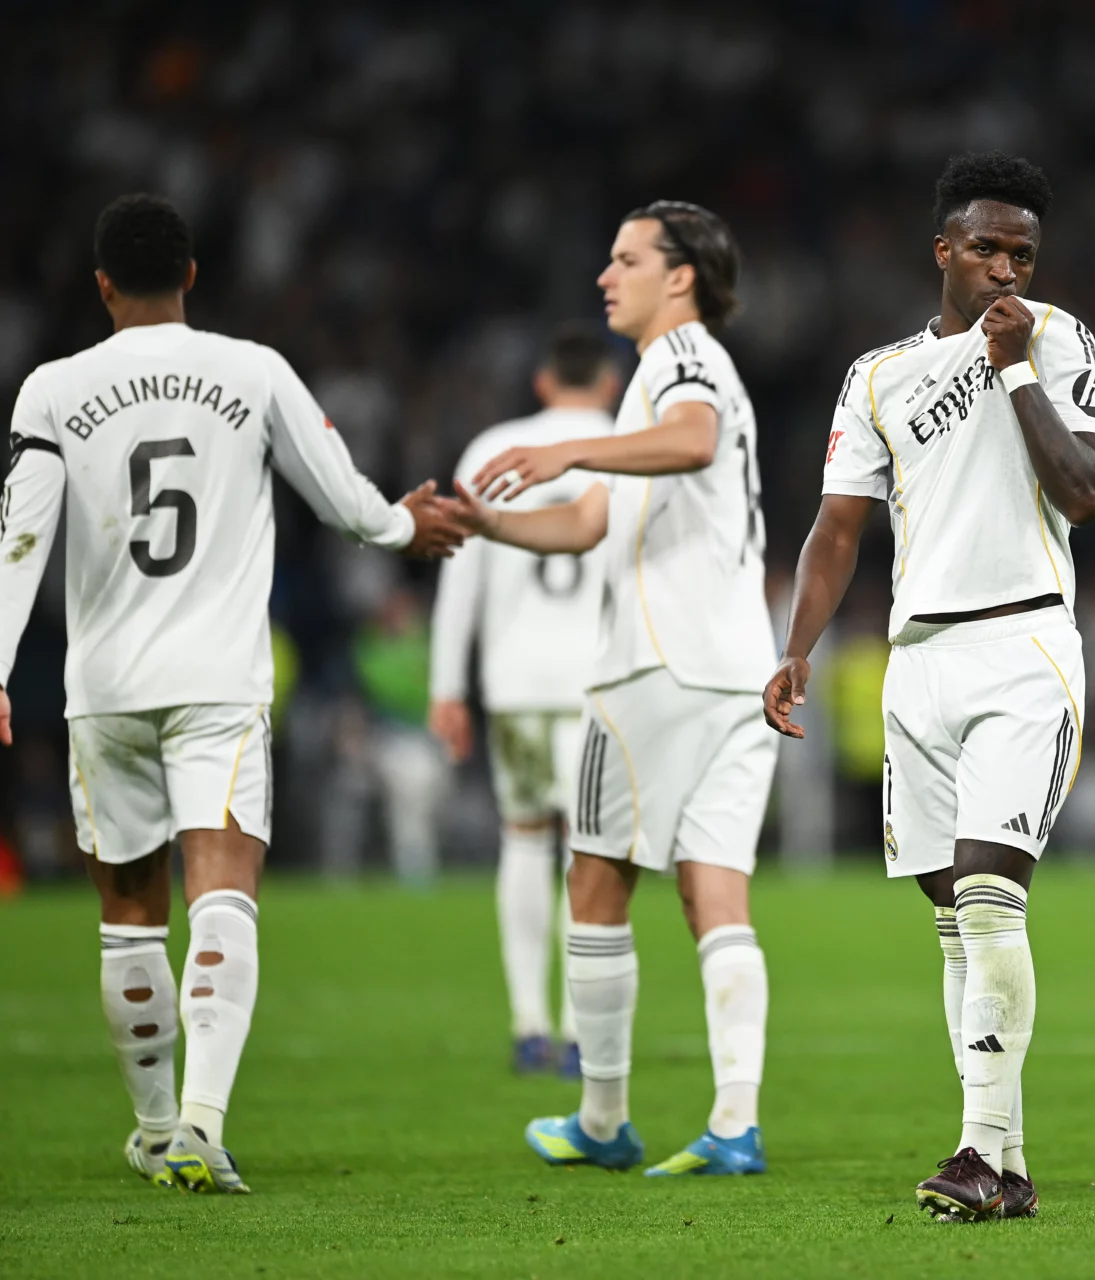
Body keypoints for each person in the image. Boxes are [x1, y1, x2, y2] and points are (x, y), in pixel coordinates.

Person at [0, 193, 464, 1193]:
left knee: (128, 914)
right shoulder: (252, 371)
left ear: (101, 284)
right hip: (216, 680)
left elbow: (19, 540)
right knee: (222, 892)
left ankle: (157, 1122)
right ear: (194, 275)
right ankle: (201, 1126)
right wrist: (401, 527)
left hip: (104, 687)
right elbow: (344, 501)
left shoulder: (50, 388)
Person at [764, 152, 1095, 1221]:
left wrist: (1012, 371)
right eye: (989, 248)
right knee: (953, 917)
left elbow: (1088, 489)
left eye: (1024, 252)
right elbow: (837, 528)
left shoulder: (1059, 340)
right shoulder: (877, 375)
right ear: (945, 252)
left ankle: (978, 1149)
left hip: (1023, 646)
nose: (1008, 267)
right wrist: (797, 646)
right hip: (916, 662)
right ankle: (1001, 1160)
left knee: (986, 888)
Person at [446, 201, 776, 1177]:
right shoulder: (676, 371)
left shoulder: (679, 360)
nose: (604, 275)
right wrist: (484, 522)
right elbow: (592, 520)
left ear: (679, 276)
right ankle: (734, 1124)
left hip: (654, 664)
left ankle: (600, 1119)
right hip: (733, 667)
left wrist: (564, 445)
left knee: (592, 879)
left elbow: (690, 440)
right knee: (716, 892)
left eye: (626, 258)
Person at [428, 323, 619, 1076]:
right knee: (590, 851)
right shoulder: (629, 442)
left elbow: (459, 574)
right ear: (608, 383)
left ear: (543, 382)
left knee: (523, 837)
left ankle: (528, 1024)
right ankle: (578, 1029)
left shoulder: (490, 450)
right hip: (600, 680)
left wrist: (448, 685)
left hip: (514, 682)